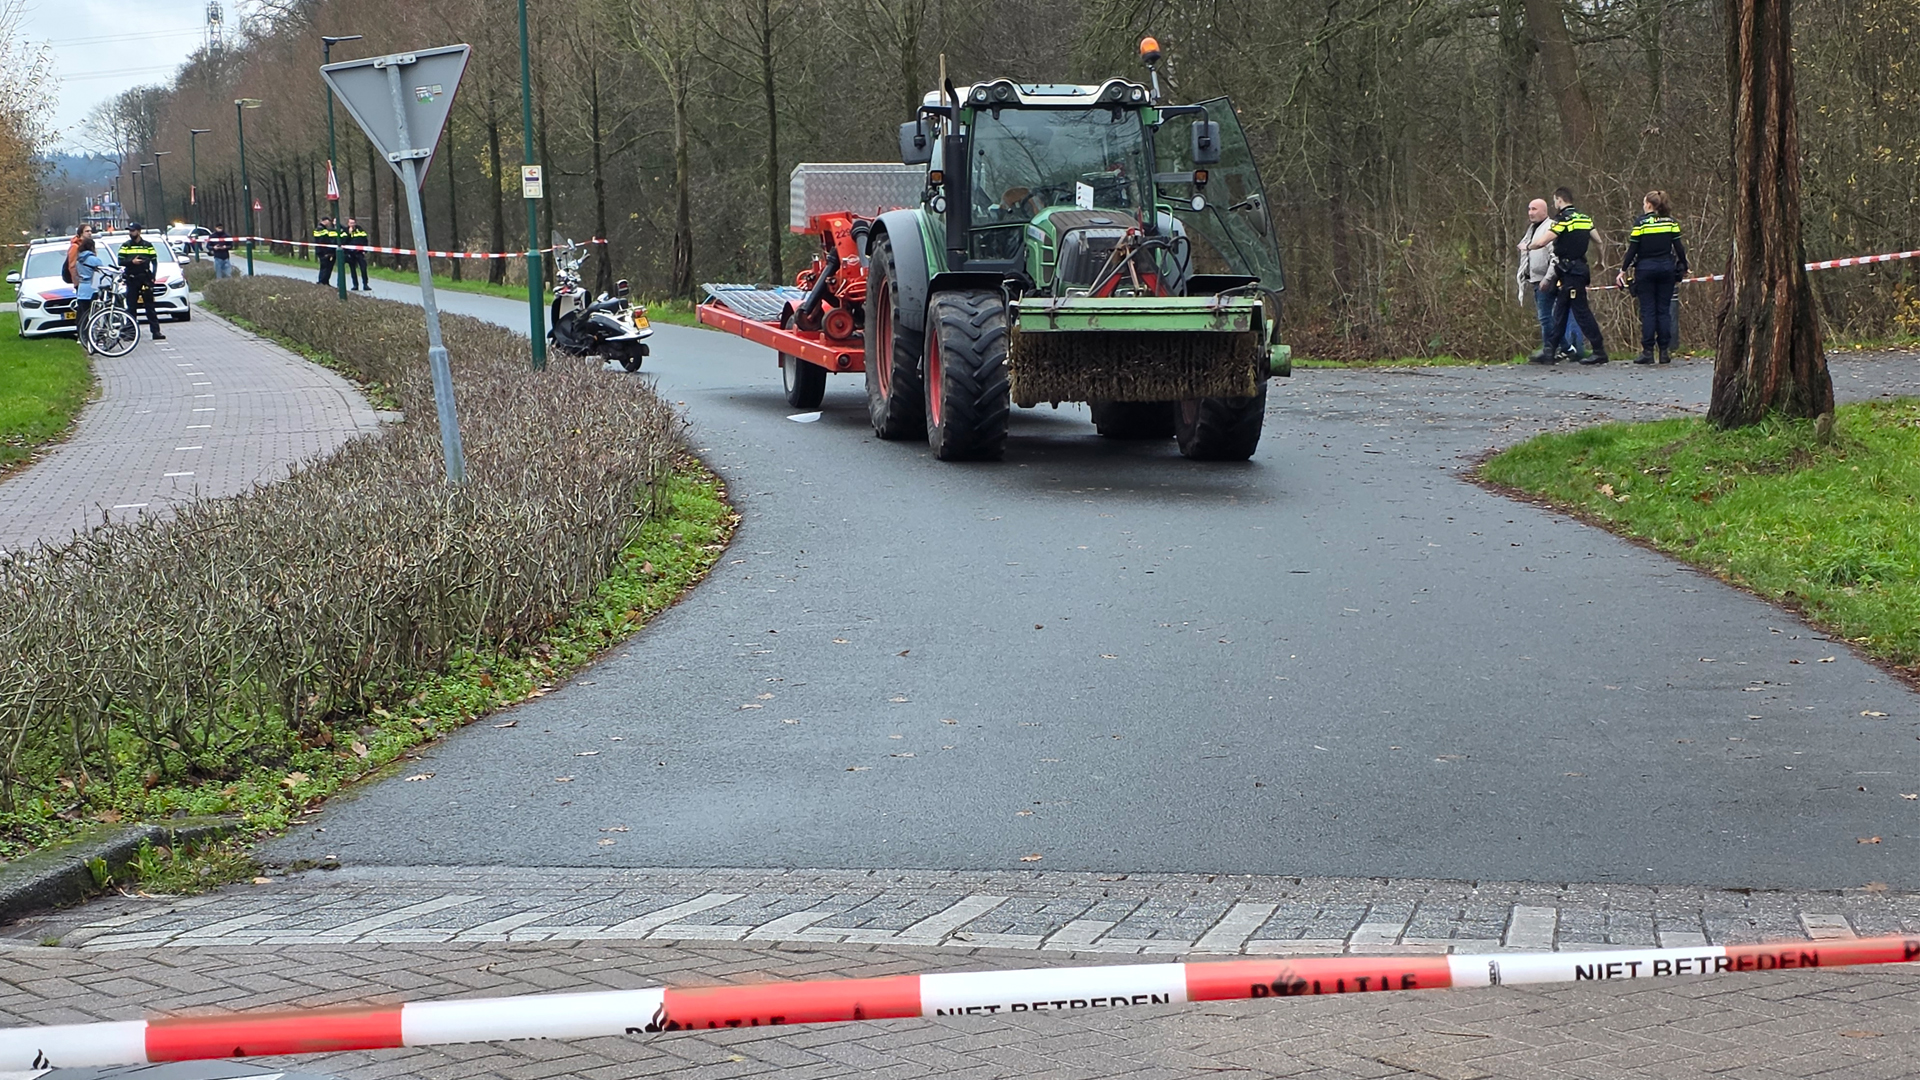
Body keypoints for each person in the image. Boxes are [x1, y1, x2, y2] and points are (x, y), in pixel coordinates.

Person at [1521, 186, 1608, 365]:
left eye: (1555, 201)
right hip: (1578, 270)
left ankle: (1599, 350)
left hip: (1571, 271)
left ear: (1559, 200)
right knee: (1560, 312)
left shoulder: (1564, 220)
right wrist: (1601, 261)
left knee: (1582, 312)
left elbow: (1544, 241)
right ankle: (1550, 351)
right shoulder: (1584, 219)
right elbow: (1599, 241)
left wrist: (1528, 247)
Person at [1616, 190, 1688, 364]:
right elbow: (1679, 247)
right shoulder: (1671, 223)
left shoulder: (1641, 223)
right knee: (1663, 310)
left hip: (1645, 269)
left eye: (1644, 202)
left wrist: (1623, 270)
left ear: (1649, 204)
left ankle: (1647, 351)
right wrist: (1685, 265)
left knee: (1648, 310)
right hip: (1666, 268)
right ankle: (1664, 351)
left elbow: (1633, 248)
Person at [1517, 198, 1587, 362]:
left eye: (1534, 209)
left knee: (1545, 317)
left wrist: (1548, 278)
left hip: (1547, 279)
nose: (1531, 213)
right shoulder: (1532, 230)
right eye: (1529, 209)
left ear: (1544, 211)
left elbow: (1555, 256)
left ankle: (1552, 349)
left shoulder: (1549, 228)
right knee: (1551, 317)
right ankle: (1565, 348)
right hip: (1535, 279)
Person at [116, 223, 165, 342]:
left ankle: (156, 332)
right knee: (131, 307)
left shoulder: (147, 246)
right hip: (132, 279)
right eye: (129, 231)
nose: (130, 233)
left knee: (150, 307)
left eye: (132, 231)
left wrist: (153, 276)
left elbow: (154, 261)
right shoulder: (126, 246)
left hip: (145, 279)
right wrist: (131, 262)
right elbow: (120, 261)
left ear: (139, 231)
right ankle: (130, 333)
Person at [72, 237, 103, 353]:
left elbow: (76, 274)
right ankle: (92, 338)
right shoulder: (94, 260)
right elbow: (100, 273)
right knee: (93, 315)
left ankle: (82, 336)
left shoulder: (78, 260)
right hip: (91, 289)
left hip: (82, 290)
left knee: (82, 314)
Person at [343, 217, 370, 290]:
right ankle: (355, 285)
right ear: (348, 223)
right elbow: (344, 242)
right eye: (350, 223)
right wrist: (349, 233)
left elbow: (365, 240)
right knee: (353, 269)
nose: (352, 224)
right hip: (351, 253)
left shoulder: (360, 230)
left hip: (360, 252)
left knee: (363, 268)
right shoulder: (345, 231)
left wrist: (365, 250)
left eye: (353, 223)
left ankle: (365, 284)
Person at [314, 215, 338, 285]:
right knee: (325, 267)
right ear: (325, 221)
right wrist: (326, 252)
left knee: (326, 267)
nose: (329, 222)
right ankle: (322, 281)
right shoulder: (321, 229)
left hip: (322, 251)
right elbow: (322, 241)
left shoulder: (322, 229)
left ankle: (325, 281)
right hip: (323, 251)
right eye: (328, 221)